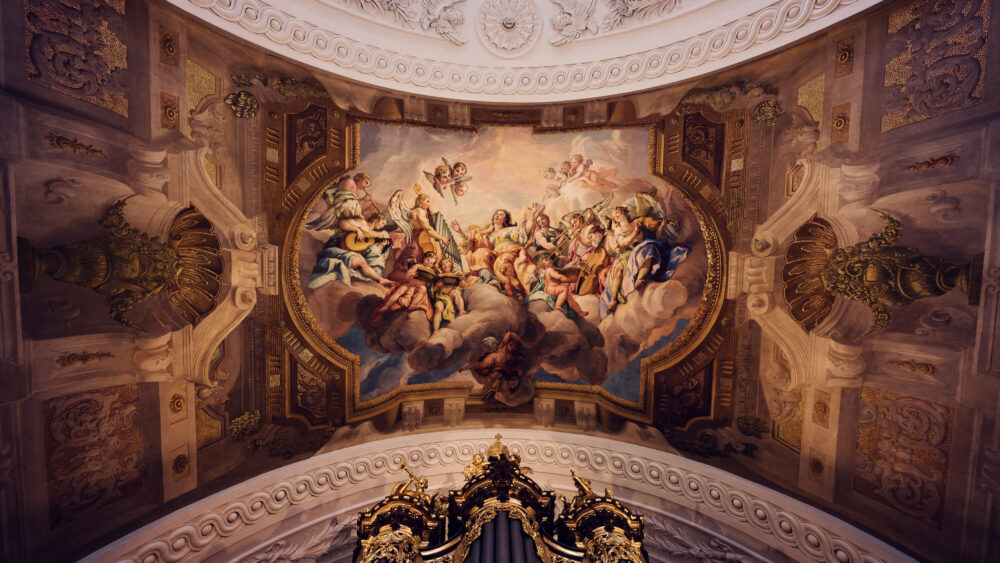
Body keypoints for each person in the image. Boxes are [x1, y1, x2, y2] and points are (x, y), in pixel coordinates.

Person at [370, 253, 437, 323]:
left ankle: (413, 304)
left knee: (423, 289)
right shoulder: (417, 266)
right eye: (428, 260)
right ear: (424, 258)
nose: (429, 263)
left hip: (420, 286)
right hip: (410, 284)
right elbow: (408, 274)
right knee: (400, 290)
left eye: (431, 262)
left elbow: (431, 282)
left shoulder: (431, 272)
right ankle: (387, 305)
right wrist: (414, 274)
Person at [429, 258, 467, 332]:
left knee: (456, 292)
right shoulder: (438, 276)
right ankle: (435, 331)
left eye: (446, 262)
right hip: (440, 297)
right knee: (439, 308)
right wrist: (437, 285)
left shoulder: (456, 274)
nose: (444, 265)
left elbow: (463, 286)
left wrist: (461, 279)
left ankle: (461, 311)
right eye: (442, 264)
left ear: (451, 264)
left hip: (451, 295)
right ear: (441, 267)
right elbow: (432, 291)